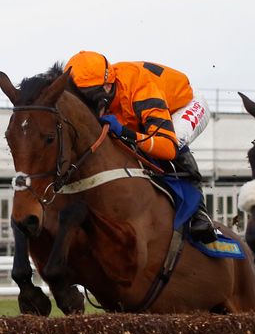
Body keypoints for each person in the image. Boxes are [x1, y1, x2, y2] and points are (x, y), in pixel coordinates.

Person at [64, 51, 216, 243]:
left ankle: (199, 213)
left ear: (108, 85)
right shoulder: (106, 92)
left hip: (183, 106)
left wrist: (126, 133)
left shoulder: (140, 89)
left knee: (174, 142)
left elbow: (166, 147)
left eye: (87, 96)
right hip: (141, 114)